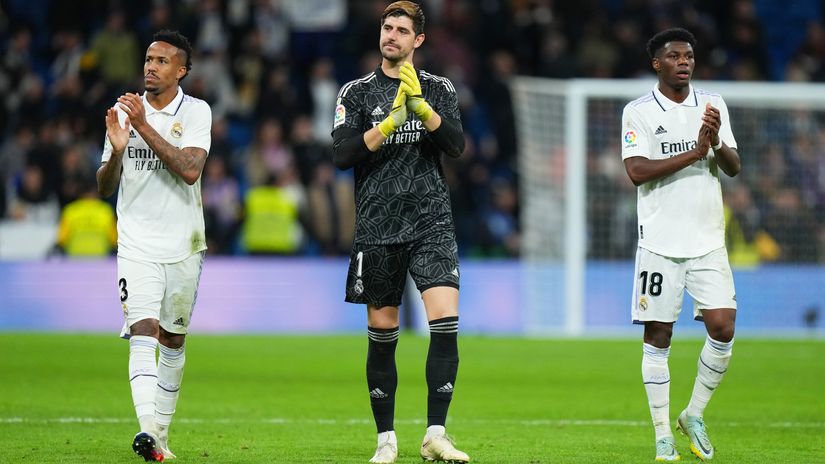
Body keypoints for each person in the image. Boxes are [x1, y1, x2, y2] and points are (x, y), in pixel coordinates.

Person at [330, 2, 468, 463]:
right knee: (382, 332)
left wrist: (421, 108)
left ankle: (435, 434)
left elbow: (456, 145)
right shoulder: (355, 92)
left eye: (401, 30)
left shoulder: (439, 88)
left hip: (431, 222)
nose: (391, 35)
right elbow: (342, 155)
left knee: (444, 322)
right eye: (387, 28)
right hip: (377, 226)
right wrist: (389, 122)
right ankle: (386, 439)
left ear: (418, 40)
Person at [621, 28, 741, 462]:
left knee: (723, 328)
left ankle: (693, 414)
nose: (684, 61)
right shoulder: (638, 111)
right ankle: (662, 436)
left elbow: (733, 166)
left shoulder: (712, 105)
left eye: (688, 55)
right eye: (674, 56)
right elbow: (636, 171)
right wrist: (694, 152)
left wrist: (717, 142)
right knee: (659, 335)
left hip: (708, 240)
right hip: (659, 243)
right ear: (657, 64)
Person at [96, 30, 211, 462]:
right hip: (136, 244)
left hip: (184, 243)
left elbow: (190, 169)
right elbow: (104, 187)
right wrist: (117, 153)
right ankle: (147, 431)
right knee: (142, 330)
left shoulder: (196, 112)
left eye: (162, 61)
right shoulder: (122, 113)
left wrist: (142, 126)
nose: (151, 66)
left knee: (173, 339)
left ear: (181, 70)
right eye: (148, 58)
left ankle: (160, 435)